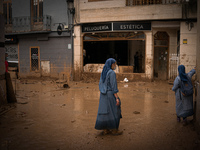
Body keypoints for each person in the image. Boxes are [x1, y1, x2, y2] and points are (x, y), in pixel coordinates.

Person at [95, 58, 122, 135]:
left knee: (104, 112)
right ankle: (114, 129)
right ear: (111, 64)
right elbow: (114, 87)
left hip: (103, 95)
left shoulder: (103, 72)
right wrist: (116, 97)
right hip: (110, 94)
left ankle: (106, 129)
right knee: (115, 110)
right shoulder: (112, 73)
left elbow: (100, 84)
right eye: (114, 64)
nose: (115, 65)